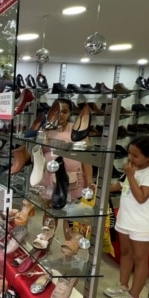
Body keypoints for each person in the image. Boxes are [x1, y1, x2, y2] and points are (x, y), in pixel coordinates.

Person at [105, 136, 149, 298]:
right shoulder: (132, 169)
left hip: (142, 224)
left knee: (140, 259)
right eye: (129, 153)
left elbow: (141, 197)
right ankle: (123, 286)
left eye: (135, 156)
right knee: (126, 253)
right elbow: (120, 186)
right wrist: (98, 186)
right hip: (125, 220)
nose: (130, 158)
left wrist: (130, 175)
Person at [41, 99, 94, 240]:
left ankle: (69, 251)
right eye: (58, 111)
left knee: (70, 217)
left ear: (70, 113)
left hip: (74, 179)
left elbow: (86, 159)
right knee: (50, 213)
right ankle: (45, 245)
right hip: (49, 178)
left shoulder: (78, 131)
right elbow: (39, 157)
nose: (61, 115)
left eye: (65, 111)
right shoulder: (46, 131)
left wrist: (90, 181)